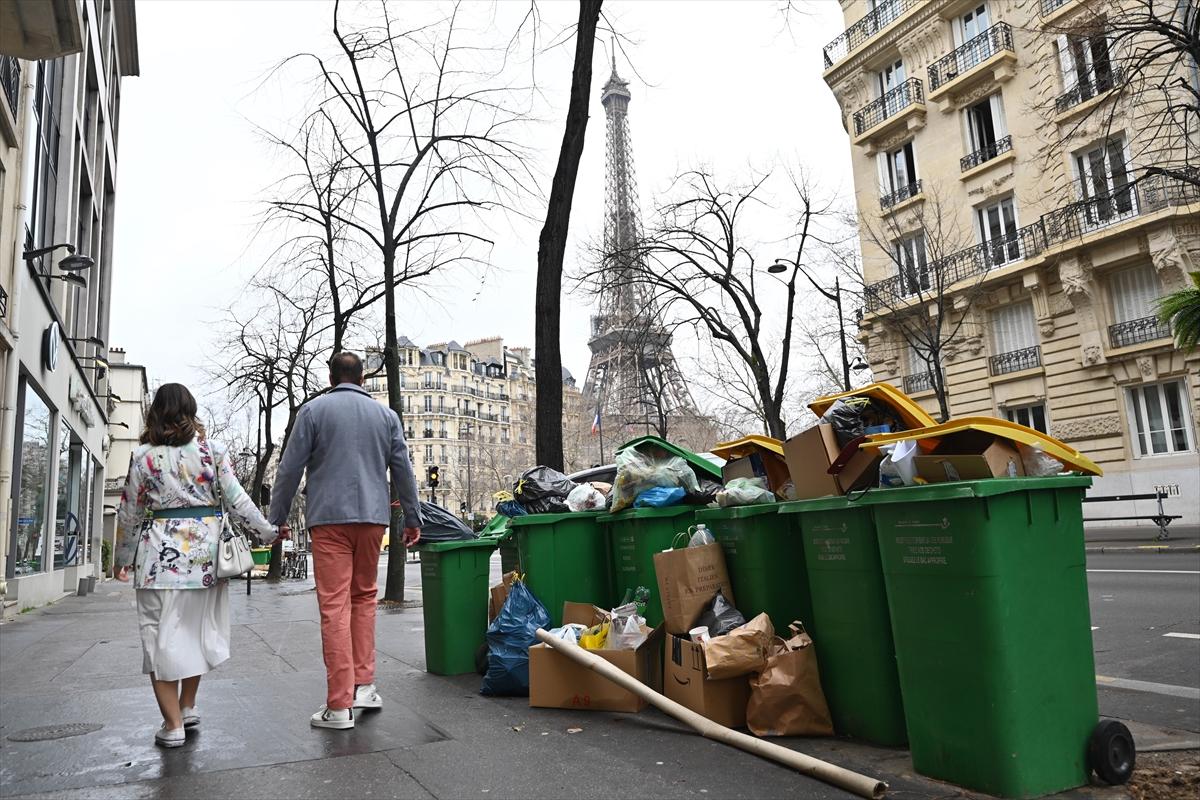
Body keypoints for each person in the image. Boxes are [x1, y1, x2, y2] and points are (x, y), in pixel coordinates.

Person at [114, 383, 283, 748]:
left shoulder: (142, 457)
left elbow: (129, 512)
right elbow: (238, 500)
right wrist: (267, 533)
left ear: (154, 412)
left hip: (158, 562)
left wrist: (121, 560)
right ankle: (187, 706)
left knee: (157, 640)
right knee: (195, 635)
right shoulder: (212, 452)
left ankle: (172, 724)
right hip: (205, 562)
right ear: (190, 411)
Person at [269, 351, 422, 730]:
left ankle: (338, 705)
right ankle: (364, 686)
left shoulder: (313, 412)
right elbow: (403, 470)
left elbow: (289, 469)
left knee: (335, 606)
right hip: (372, 518)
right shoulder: (386, 417)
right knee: (364, 598)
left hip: (329, 519)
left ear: (331, 378)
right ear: (363, 379)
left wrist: (277, 518)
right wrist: (412, 518)